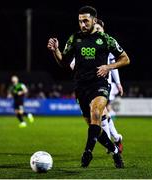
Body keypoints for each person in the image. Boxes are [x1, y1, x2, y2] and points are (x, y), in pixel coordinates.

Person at [47, 6, 130, 168]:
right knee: (94, 127)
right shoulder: (74, 39)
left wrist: (108, 67)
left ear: (93, 20)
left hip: (100, 84)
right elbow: (63, 62)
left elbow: (125, 59)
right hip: (80, 86)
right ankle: (114, 150)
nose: (83, 24)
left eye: (86, 21)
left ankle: (87, 152)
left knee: (96, 112)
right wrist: (55, 50)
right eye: (80, 21)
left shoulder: (106, 39)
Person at [70, 20, 124, 153]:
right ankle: (116, 139)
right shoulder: (86, 42)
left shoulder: (107, 43)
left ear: (103, 30)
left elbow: (116, 65)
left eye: (100, 29)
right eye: (97, 28)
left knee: (101, 114)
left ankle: (111, 145)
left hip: (105, 84)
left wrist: (118, 83)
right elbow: (74, 62)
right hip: (88, 84)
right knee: (102, 115)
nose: (98, 31)